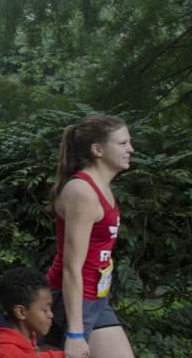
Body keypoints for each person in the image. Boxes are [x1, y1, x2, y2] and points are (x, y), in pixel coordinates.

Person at [44, 115, 135, 358]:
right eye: (123, 143)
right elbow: (71, 267)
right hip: (73, 299)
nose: (131, 149)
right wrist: (75, 333)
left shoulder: (103, 187)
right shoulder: (82, 191)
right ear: (98, 149)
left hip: (96, 297)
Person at [0, 268, 64, 357]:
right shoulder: (3, 353)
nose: (51, 315)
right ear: (21, 312)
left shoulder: (25, 336)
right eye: (45, 310)